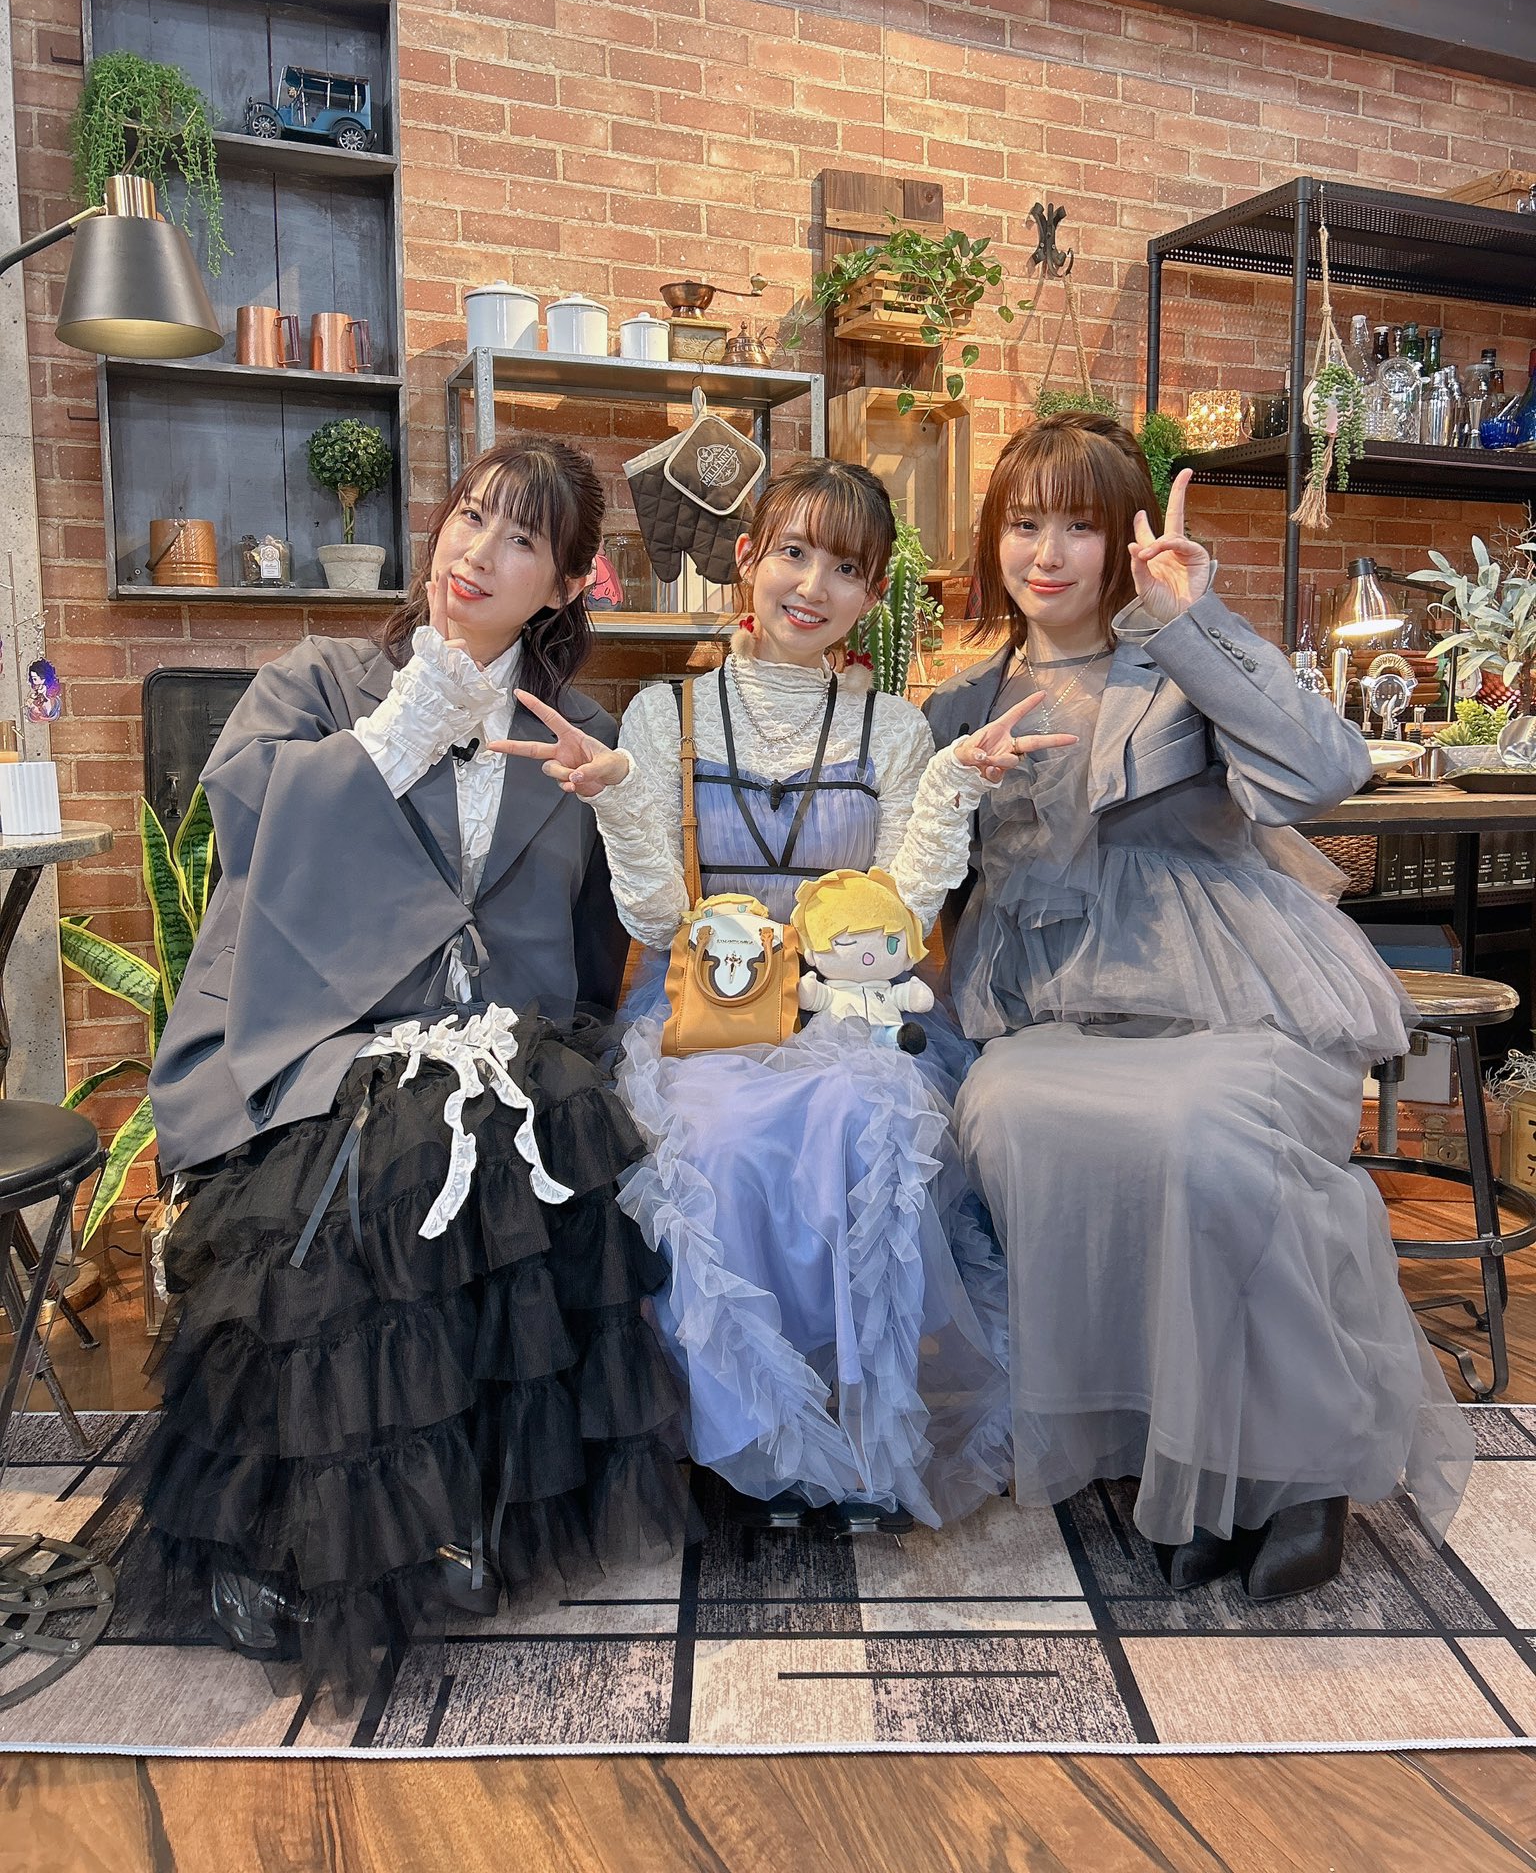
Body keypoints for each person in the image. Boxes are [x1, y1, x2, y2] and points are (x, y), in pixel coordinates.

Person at [119, 436, 688, 1696]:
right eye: (471, 516)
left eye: (522, 538)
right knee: (365, 1177)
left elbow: (615, 930)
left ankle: (453, 1507)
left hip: (496, 1036)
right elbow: (249, 837)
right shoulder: (326, 680)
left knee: (494, 1136)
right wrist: (407, 721)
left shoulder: (574, 727)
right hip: (312, 1028)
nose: (475, 552)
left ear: (567, 584)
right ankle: (279, 1533)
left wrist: (621, 801)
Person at [924, 413, 1473, 1599]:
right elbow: (919, 868)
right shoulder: (963, 702)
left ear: (1124, 539)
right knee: (1007, 1120)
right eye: (1026, 523)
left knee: (1206, 1141)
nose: (1049, 553)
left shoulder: (1178, 657)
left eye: (1080, 525)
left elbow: (1325, 770)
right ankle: (1158, 1446)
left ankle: (1295, 1472)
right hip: (1052, 1009)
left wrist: (1191, 619)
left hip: (1227, 991)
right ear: (993, 537)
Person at [500, 459, 1067, 1535]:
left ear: (873, 593)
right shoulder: (664, 713)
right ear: (748, 558)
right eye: (794, 553)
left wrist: (950, 787)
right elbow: (661, 921)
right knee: (716, 1144)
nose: (813, 586)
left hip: (853, 1017)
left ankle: (856, 1436)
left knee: (866, 1118)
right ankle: (751, 1441)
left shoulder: (894, 729)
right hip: (709, 1014)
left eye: (846, 569)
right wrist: (619, 798)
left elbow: (899, 917)